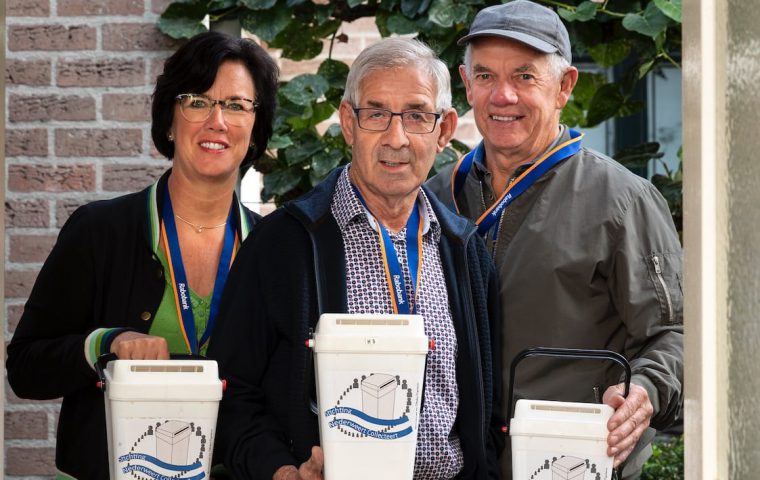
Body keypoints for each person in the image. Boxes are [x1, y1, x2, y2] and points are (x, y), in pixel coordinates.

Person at [209, 37, 502, 480]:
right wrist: (282, 471)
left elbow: (488, 406)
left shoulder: (466, 251)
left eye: (417, 115)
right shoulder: (282, 245)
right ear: (348, 123)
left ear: (444, 130)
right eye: (376, 114)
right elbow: (233, 393)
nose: (396, 138)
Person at [426, 1, 683, 479]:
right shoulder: (434, 198)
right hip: (454, 466)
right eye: (485, 76)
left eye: (524, 76)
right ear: (467, 84)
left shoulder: (624, 201)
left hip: (571, 462)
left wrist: (645, 392)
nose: (503, 95)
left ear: (565, 86)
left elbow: (675, 334)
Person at [6, 31, 279, 480]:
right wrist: (105, 343)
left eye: (236, 105)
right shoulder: (99, 230)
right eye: (197, 102)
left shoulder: (273, 248)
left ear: (254, 131)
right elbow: (25, 368)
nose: (217, 121)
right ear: (169, 121)